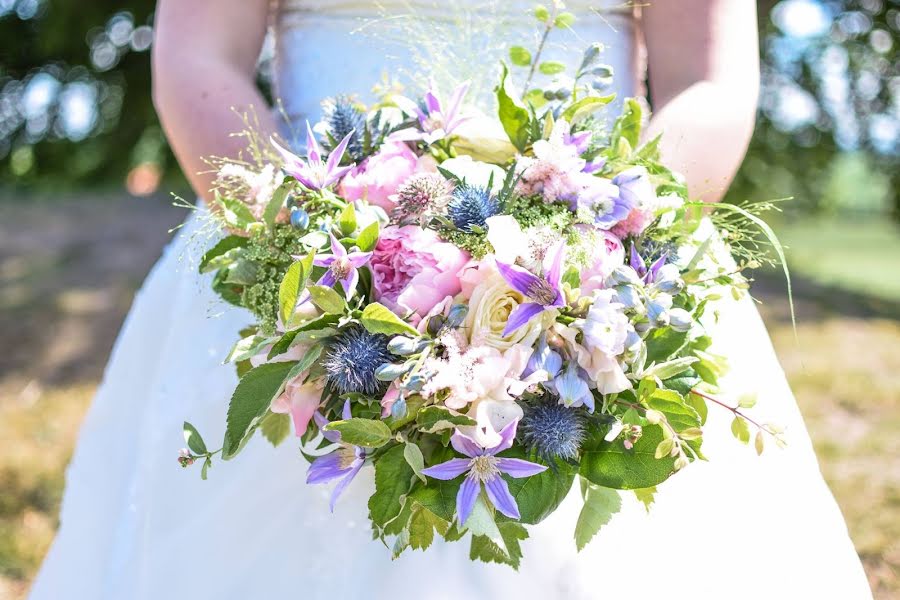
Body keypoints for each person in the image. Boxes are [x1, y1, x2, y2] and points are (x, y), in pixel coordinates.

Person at [30, 1, 873, 598]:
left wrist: (595, 258)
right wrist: (313, 248)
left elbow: (710, 84)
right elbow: (197, 56)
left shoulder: (598, 264)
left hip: (601, 273)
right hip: (299, 258)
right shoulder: (305, 252)